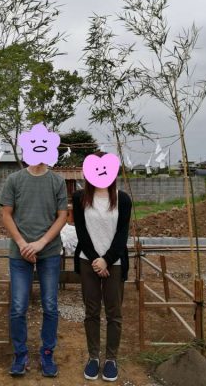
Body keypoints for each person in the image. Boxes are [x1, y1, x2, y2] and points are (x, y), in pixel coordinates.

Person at [0, 127, 68, 378]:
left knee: (50, 305)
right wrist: (22, 243)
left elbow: (62, 216)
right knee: (18, 306)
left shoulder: (57, 181)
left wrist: (40, 243)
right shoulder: (14, 180)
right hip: (19, 253)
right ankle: (20, 354)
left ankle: (47, 353)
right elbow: (6, 214)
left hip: (49, 251)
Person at [72, 151, 132, 382]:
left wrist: (106, 259)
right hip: (88, 262)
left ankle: (111, 359)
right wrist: (96, 260)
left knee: (114, 313)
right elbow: (81, 232)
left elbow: (122, 234)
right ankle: (93, 357)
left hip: (114, 263)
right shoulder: (80, 198)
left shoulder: (122, 199)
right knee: (92, 311)